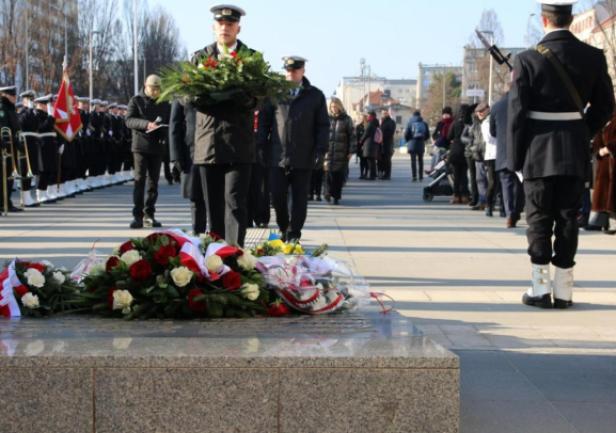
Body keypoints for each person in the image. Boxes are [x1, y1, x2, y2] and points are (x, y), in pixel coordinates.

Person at [507, 0, 615, 309]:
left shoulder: (526, 59)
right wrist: (582, 130)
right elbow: (606, 105)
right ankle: (565, 291)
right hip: (573, 150)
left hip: (537, 151)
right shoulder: (593, 57)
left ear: (544, 20)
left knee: (538, 219)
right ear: (570, 18)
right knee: (569, 218)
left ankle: (540, 288)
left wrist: (515, 159)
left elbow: (517, 115)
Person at [191, 5, 256, 247]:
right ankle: (216, 257)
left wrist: (242, 97)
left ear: (238, 28)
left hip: (239, 143)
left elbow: (259, 97)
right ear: (213, 27)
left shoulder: (251, 58)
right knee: (214, 207)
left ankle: (235, 254)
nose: (225, 28)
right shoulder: (200, 58)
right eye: (221, 23)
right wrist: (207, 97)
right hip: (209, 143)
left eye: (230, 24)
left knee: (236, 203)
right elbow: (186, 96)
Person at [257, 55, 329, 241]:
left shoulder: (315, 96)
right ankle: (284, 227)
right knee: (277, 197)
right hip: (277, 156)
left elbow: (322, 125)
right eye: (288, 70)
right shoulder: (274, 94)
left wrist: (321, 150)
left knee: (299, 199)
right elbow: (264, 123)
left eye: (295, 70)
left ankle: (294, 233)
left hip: (303, 156)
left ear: (303, 71)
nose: (291, 74)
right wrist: (261, 145)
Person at [126, 74, 171, 229]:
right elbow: (129, 120)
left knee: (153, 183)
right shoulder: (136, 101)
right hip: (140, 146)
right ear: (145, 86)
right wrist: (146, 124)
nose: (156, 92)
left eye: (158, 89)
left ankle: (149, 214)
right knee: (139, 181)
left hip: (157, 147)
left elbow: (169, 121)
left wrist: (163, 129)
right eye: (153, 89)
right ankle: (137, 216)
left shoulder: (164, 102)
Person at [170, 99, 207, 235]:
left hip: (215, 151)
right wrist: (176, 156)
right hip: (191, 153)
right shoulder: (182, 96)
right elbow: (175, 126)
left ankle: (218, 238)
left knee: (216, 199)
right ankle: (198, 234)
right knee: (195, 197)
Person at [491, 92, 524, 228]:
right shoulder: (523, 104)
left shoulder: (496, 107)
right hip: (521, 150)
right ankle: (517, 211)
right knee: (520, 184)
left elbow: (492, 132)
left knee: (506, 185)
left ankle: (510, 214)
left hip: (503, 152)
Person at [586, 113, 616, 233]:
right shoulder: (606, 119)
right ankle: (600, 221)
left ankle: (612, 222)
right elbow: (598, 138)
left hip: (612, 160)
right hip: (604, 162)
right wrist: (597, 150)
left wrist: (609, 148)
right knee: (602, 193)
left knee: (612, 194)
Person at [326, 97, 355, 205]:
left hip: (341, 153)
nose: (333, 108)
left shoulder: (346, 119)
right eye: (331, 107)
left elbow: (352, 136)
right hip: (328, 152)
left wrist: (351, 151)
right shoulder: (326, 119)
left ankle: (336, 196)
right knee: (327, 174)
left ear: (339, 106)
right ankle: (327, 193)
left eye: (335, 106)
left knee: (338, 176)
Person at [0, 85, 22, 213]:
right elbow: (2, 126)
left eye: (14, 95)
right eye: (12, 95)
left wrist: (17, 141)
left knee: (9, 176)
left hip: (11, 144)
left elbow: (15, 127)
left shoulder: (11, 108)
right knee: (3, 176)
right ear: (5, 95)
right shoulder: (2, 108)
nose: (14, 98)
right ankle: (2, 202)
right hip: (4, 145)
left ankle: (6, 202)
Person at [17, 90, 40, 207]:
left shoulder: (34, 113)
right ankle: (24, 197)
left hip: (33, 143)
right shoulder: (21, 112)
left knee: (32, 170)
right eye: (29, 99)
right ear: (23, 100)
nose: (31, 101)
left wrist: (32, 111)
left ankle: (27, 196)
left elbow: (38, 125)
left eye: (32, 99)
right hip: (24, 143)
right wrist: (29, 111)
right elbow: (22, 123)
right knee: (24, 170)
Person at [447, 104, 472, 204]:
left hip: (455, 151)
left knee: (456, 175)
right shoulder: (469, 123)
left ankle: (456, 196)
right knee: (464, 175)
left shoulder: (455, 123)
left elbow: (449, 136)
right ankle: (465, 196)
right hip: (466, 151)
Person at [404, 110, 430, 182]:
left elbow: (406, 134)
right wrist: (423, 139)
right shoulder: (424, 123)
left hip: (412, 143)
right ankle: (421, 176)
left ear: (413, 115)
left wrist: (408, 140)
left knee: (413, 160)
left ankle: (414, 176)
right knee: (421, 160)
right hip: (421, 143)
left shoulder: (410, 123)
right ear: (420, 115)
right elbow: (428, 135)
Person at [428, 107, 453, 174]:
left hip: (447, 144)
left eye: (447, 114)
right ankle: (432, 169)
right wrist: (434, 140)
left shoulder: (452, 123)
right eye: (444, 114)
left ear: (450, 115)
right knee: (436, 152)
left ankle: (435, 170)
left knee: (438, 151)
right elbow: (434, 135)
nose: (445, 116)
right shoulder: (440, 123)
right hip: (439, 143)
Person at [359, 111, 379, 180]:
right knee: (372, 160)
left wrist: (361, 140)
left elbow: (366, 134)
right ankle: (373, 174)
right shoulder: (375, 123)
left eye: (368, 116)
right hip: (373, 144)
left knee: (370, 161)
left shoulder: (370, 124)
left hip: (369, 144)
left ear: (371, 116)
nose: (367, 117)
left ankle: (371, 176)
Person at [379, 109, 396, 180]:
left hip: (388, 143)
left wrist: (382, 136)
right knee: (383, 159)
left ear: (388, 113)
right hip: (382, 143)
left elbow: (390, 132)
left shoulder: (391, 122)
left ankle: (387, 174)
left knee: (387, 159)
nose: (383, 114)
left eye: (385, 113)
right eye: (382, 113)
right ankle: (383, 173)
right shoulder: (383, 121)